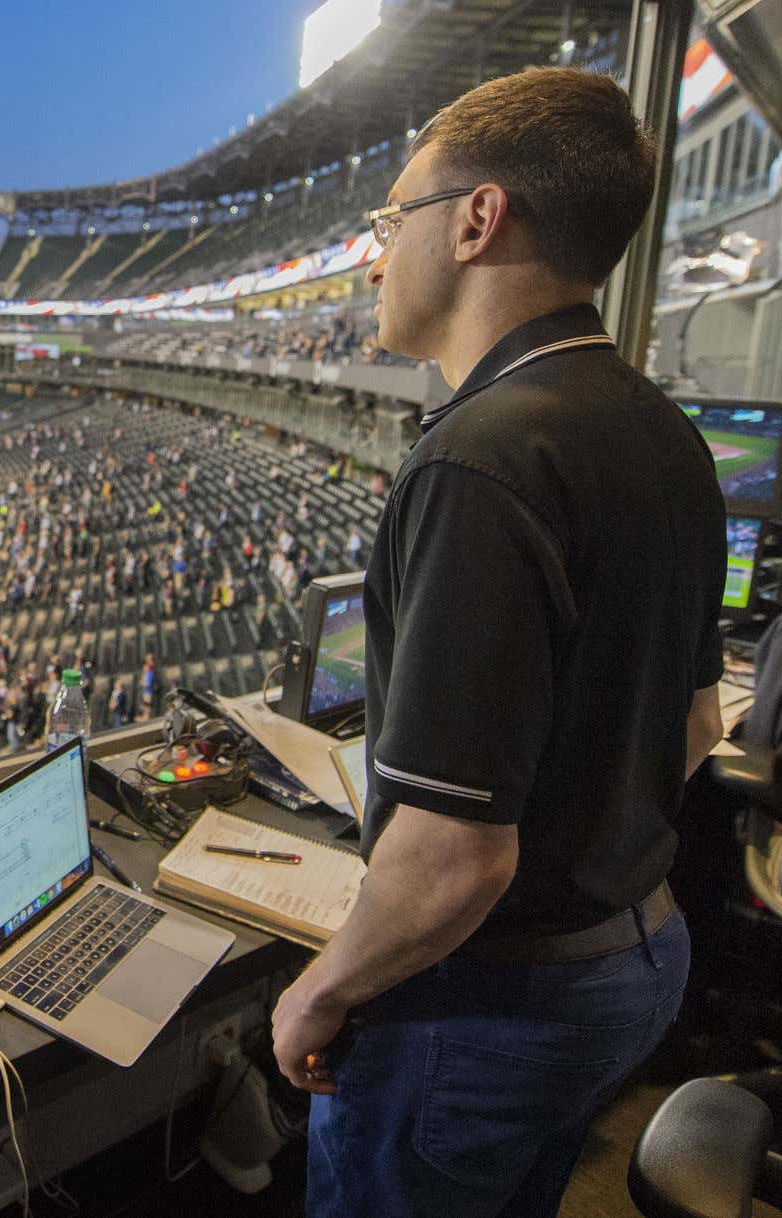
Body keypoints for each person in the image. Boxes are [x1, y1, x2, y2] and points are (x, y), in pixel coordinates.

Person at [272, 69, 714, 1218]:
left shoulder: (481, 457)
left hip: (487, 1008)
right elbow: (693, 724)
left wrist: (319, 992)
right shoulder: (659, 427)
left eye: (387, 219)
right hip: (635, 959)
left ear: (475, 219)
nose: (371, 254)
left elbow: (455, 861)